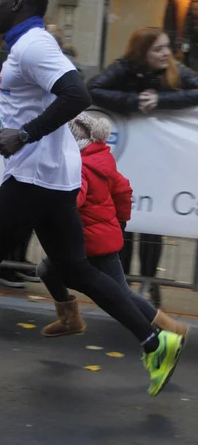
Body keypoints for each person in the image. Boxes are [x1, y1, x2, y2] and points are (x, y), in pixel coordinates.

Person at [0, 0, 184, 398]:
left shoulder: (34, 45)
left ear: (18, 4)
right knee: (76, 269)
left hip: (33, 177)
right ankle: (154, 341)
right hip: (53, 177)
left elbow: (77, 94)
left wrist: (25, 134)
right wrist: (20, 130)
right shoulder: (28, 44)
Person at [37, 111, 188, 338]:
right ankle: (69, 318)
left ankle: (171, 329)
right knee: (47, 270)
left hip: (88, 242)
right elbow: (123, 189)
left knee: (120, 293)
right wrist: (121, 222)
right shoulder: (101, 157)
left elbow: (74, 198)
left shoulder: (77, 165)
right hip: (95, 238)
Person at [88, 26, 198, 309]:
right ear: (142, 52)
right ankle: (121, 283)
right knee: (123, 221)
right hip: (127, 160)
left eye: (166, 47)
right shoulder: (123, 68)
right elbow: (93, 88)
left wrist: (162, 101)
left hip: (160, 162)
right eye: (157, 49)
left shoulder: (176, 71)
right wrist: (133, 102)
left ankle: (150, 283)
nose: (165, 53)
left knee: (153, 224)